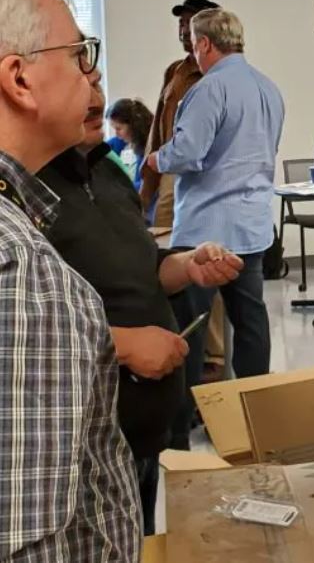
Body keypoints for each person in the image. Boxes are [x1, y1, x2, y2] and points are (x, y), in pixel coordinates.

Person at [38, 74, 243, 535]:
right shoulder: (23, 193)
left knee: (138, 539)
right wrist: (123, 346)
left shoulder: (107, 170)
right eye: (74, 72)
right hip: (77, 444)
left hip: (143, 428)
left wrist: (188, 265)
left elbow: (143, 268)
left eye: (95, 79)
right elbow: (20, 325)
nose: (94, 95)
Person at [0, 0, 139, 559]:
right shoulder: (19, 266)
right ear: (19, 79)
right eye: (80, 55)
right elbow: (24, 537)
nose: (91, 76)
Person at [147, 7, 284, 446]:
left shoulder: (210, 90)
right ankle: (254, 414)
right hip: (252, 226)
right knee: (250, 322)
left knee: (190, 325)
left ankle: (182, 425)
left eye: (192, 42)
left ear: (204, 44)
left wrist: (156, 159)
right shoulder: (268, 88)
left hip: (206, 231)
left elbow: (189, 152)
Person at [142, 0, 228, 385]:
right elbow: (157, 130)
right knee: (169, 264)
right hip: (168, 179)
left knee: (206, 265)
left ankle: (212, 358)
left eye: (190, 25)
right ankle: (177, 348)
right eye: (180, 25)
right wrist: (146, 184)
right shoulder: (175, 72)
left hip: (203, 182)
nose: (182, 31)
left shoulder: (221, 77)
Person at [107, 96, 153, 190]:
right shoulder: (119, 142)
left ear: (133, 125)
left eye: (119, 128)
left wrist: (119, 188)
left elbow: (146, 186)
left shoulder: (149, 150)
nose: (116, 133)